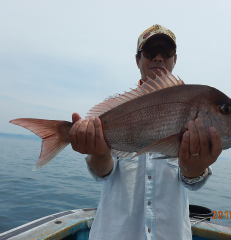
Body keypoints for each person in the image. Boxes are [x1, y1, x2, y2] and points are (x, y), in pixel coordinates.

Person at [69, 24, 222, 240]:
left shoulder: (194, 105)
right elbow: (102, 172)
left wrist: (195, 169)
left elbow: (192, 180)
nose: (158, 58)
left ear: (174, 59)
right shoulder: (115, 109)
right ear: (137, 59)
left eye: (166, 53)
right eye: (150, 52)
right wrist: (99, 152)